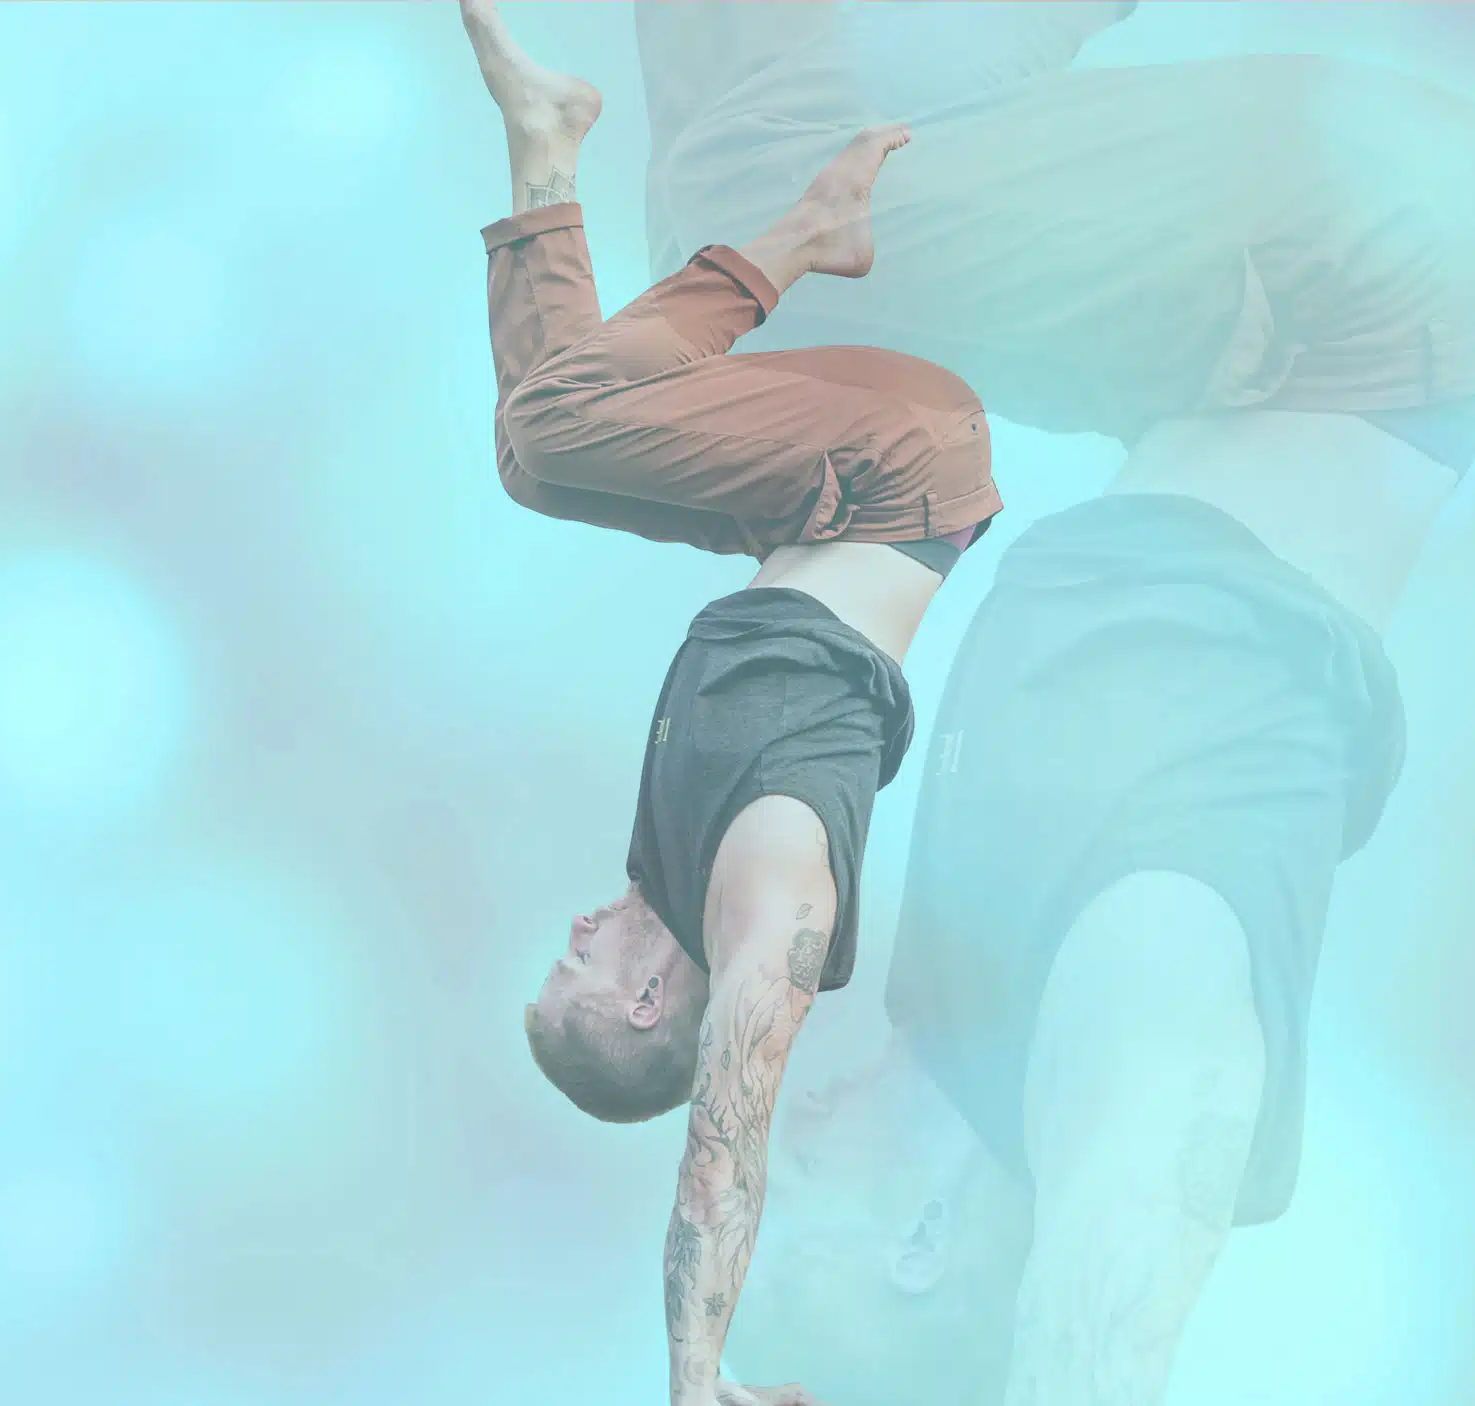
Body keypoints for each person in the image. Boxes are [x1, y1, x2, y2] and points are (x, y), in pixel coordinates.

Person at [626, 6, 1475, 1402]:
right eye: (768, 1215)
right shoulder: (1115, 1024)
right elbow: (1120, 1282)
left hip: (1243, 332)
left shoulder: (957, 999)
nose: (750, 1148)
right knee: (744, 231)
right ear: (917, 1248)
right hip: (1371, 276)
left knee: (719, 235)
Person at [455, 4, 1001, 1403]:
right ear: (650, 999)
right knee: (557, 426)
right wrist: (696, 1376)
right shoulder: (766, 896)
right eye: (578, 966)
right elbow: (726, 1142)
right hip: (900, 466)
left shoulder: (667, 865)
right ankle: (796, 229)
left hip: (817, 495)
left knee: (535, 453)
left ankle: (556, 151)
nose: (578, 930)